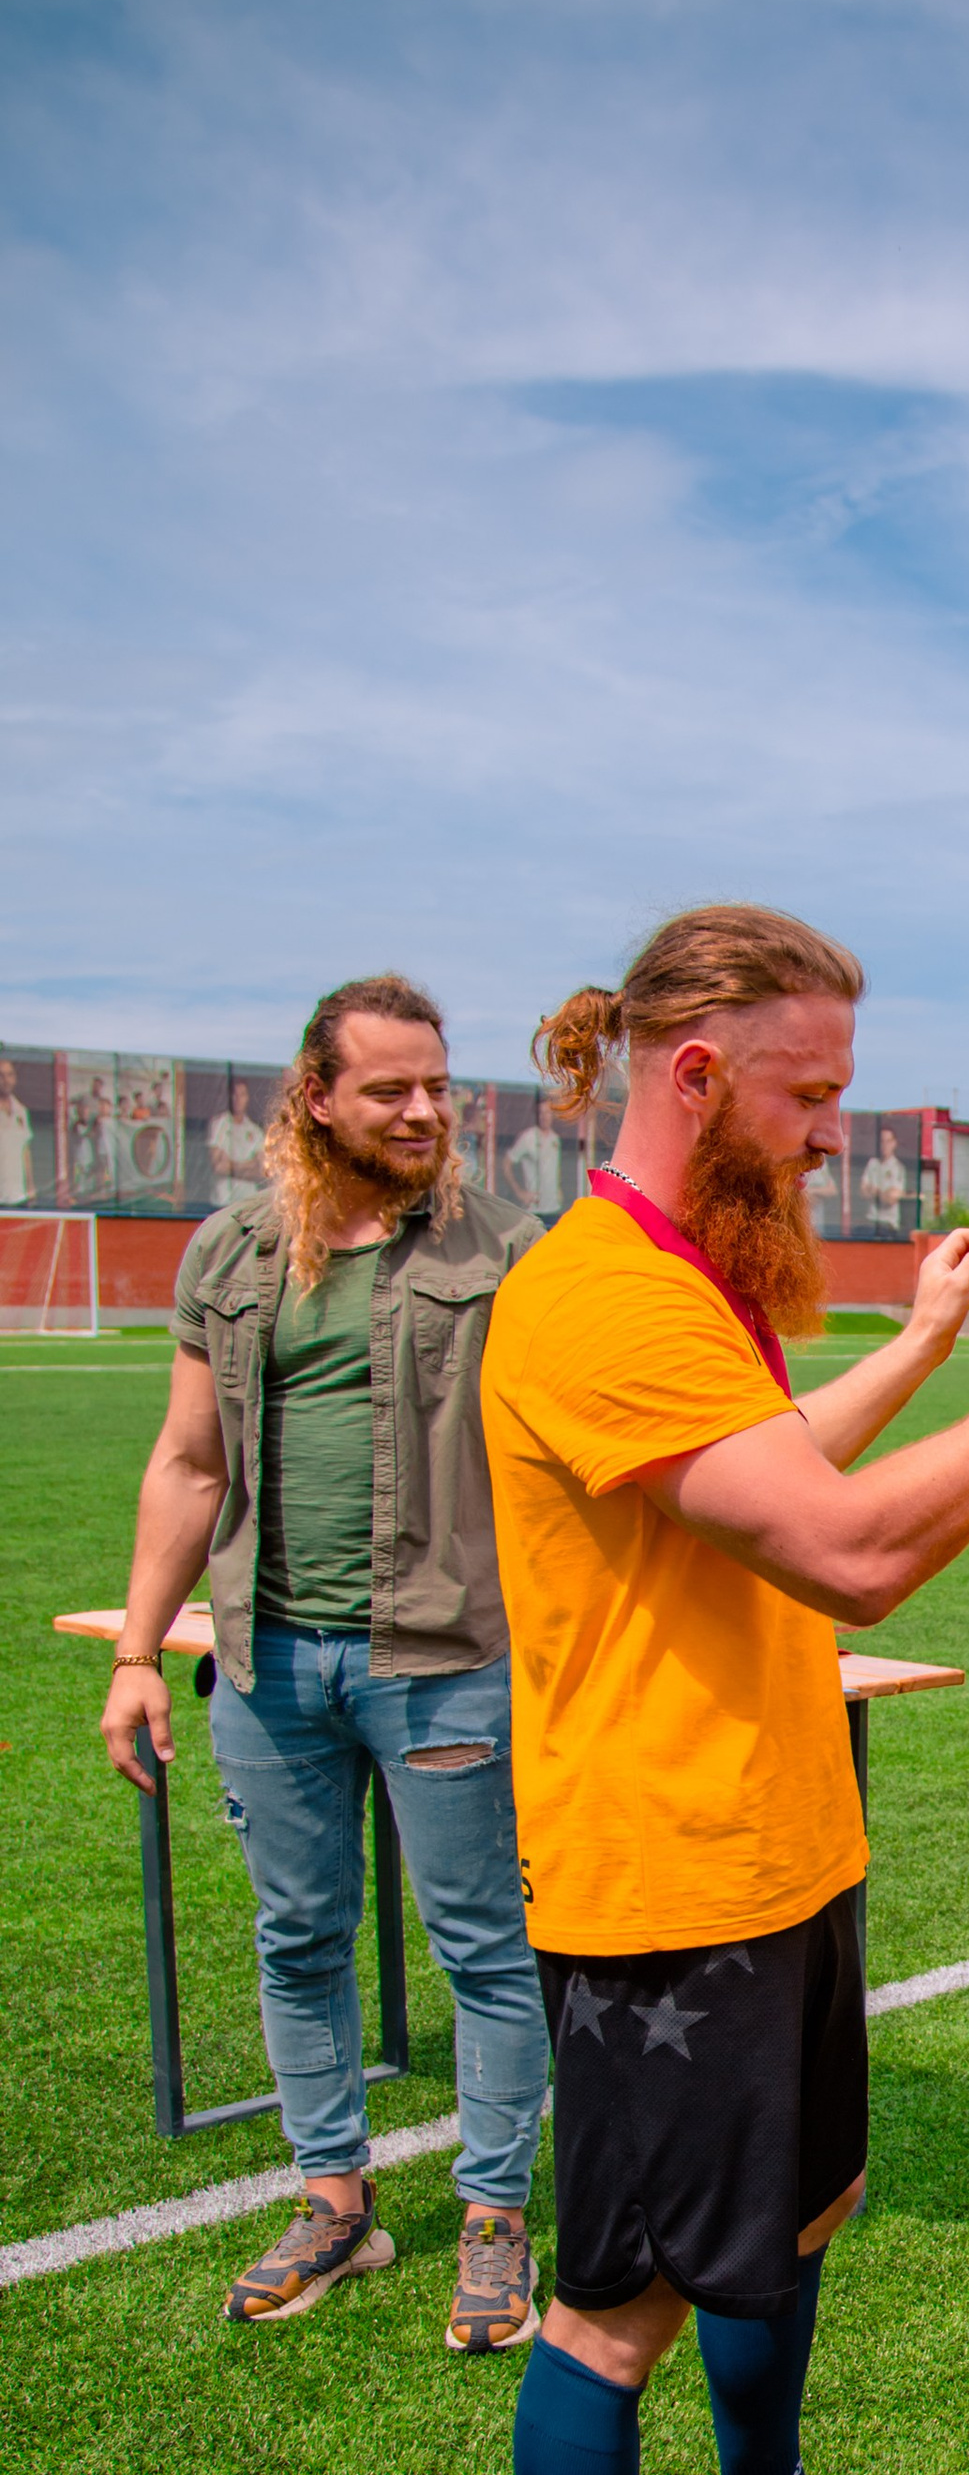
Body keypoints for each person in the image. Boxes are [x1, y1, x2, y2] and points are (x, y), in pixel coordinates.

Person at [481, 901, 969, 2475]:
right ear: (695, 1073)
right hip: (661, 1884)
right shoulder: (589, 1293)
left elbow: (742, 1478)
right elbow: (843, 1557)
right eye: (811, 1095)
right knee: (614, 2314)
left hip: (778, 1847)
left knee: (795, 2217)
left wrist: (914, 1351)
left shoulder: (676, 1278)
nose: (835, 1133)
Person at [102, 977, 554, 2351]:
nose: (424, 1112)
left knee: (486, 1947)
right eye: (389, 1090)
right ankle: (335, 2200)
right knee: (297, 1939)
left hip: (444, 1661)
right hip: (268, 1663)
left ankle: (493, 2216)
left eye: (439, 1087)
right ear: (318, 1098)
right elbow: (188, 1465)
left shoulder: (510, 1249)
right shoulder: (231, 1255)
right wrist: (137, 1651)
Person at [206, 1073, 267, 1213]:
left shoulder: (255, 1131)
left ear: (248, 1098)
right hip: (222, 1204)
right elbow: (219, 1167)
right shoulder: (218, 1124)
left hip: (248, 1205)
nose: (238, 1099)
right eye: (235, 1094)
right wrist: (249, 1164)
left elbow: (262, 1172)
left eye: (242, 1094)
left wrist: (231, 1166)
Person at [0, 1055, 33, 1209]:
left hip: (18, 1197)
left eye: (9, 1075)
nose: (5, 1080)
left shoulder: (21, 1111)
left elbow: (25, 1151)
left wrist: (31, 1188)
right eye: (1, 1075)